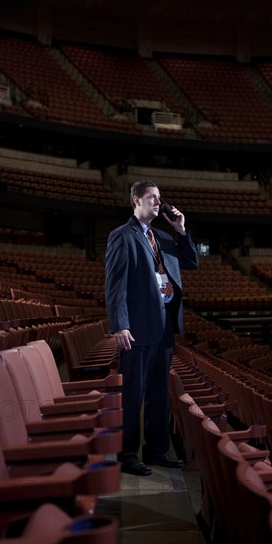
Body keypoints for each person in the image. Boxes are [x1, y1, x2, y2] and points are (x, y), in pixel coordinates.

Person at [105, 180, 199, 476]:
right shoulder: (122, 236)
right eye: (152, 198)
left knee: (159, 393)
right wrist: (119, 324)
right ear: (136, 201)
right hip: (137, 329)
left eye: (160, 198)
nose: (158, 203)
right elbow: (115, 285)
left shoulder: (165, 237)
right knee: (133, 393)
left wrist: (181, 230)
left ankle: (157, 450)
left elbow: (191, 262)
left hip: (164, 328)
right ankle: (126, 453)